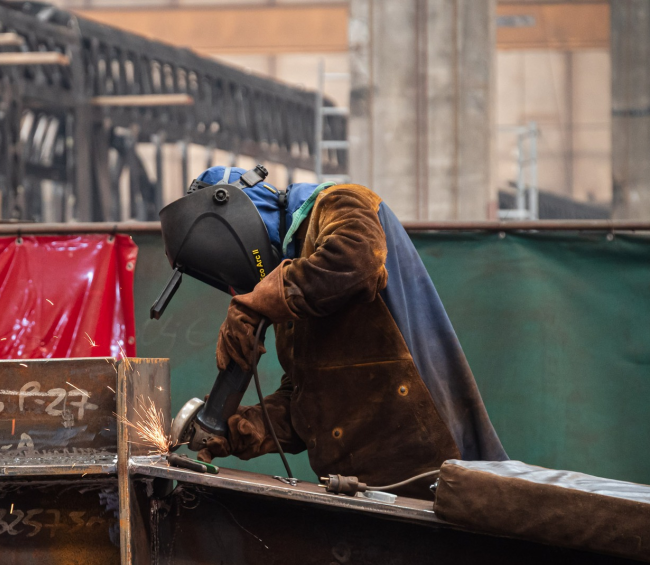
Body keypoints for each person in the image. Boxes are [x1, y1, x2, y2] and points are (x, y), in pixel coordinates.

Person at [191, 167, 508, 494]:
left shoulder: (340, 202)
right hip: (360, 487)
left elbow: (359, 260)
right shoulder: (291, 290)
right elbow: (311, 398)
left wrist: (259, 303)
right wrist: (249, 427)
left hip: (429, 470)